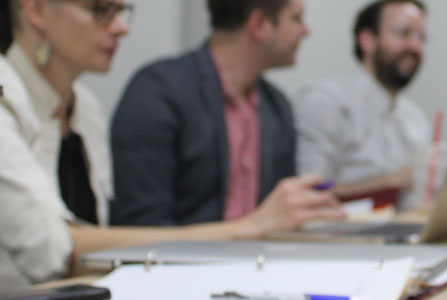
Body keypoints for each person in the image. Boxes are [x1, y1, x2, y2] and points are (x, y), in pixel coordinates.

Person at [0, 0, 342, 289]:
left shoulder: (84, 108)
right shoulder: (158, 92)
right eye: (103, 9)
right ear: (37, 10)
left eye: (122, 11)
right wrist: (248, 229)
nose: (122, 27)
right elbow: (54, 252)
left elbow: (94, 243)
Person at [111, 0, 343, 226]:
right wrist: (248, 230)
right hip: (178, 262)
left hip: (261, 260)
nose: (306, 31)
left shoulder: (276, 106)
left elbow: (281, 219)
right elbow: (141, 224)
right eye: (296, 18)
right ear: (259, 24)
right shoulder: (158, 92)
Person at [291, 0, 429, 208]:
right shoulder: (327, 101)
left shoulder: (414, 118)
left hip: (402, 234)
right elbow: (311, 192)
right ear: (367, 41)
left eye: (421, 38)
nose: (415, 46)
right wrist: (392, 182)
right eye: (404, 33)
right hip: (336, 236)